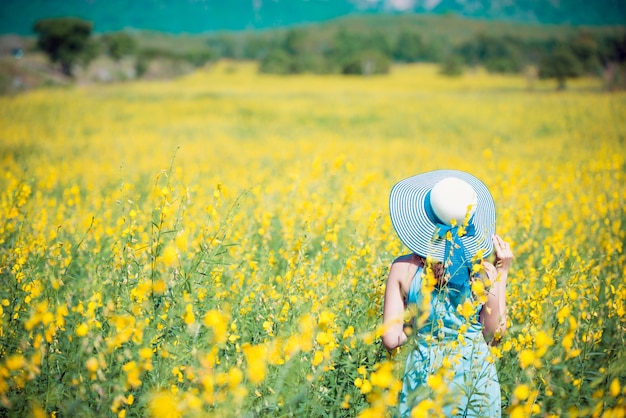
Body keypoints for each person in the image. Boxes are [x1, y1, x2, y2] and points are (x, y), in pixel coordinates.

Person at [382, 169, 513, 417]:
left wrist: (421, 322)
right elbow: (493, 333)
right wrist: (501, 271)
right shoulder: (483, 272)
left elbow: (390, 339)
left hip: (425, 376)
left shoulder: (403, 269)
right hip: (475, 378)